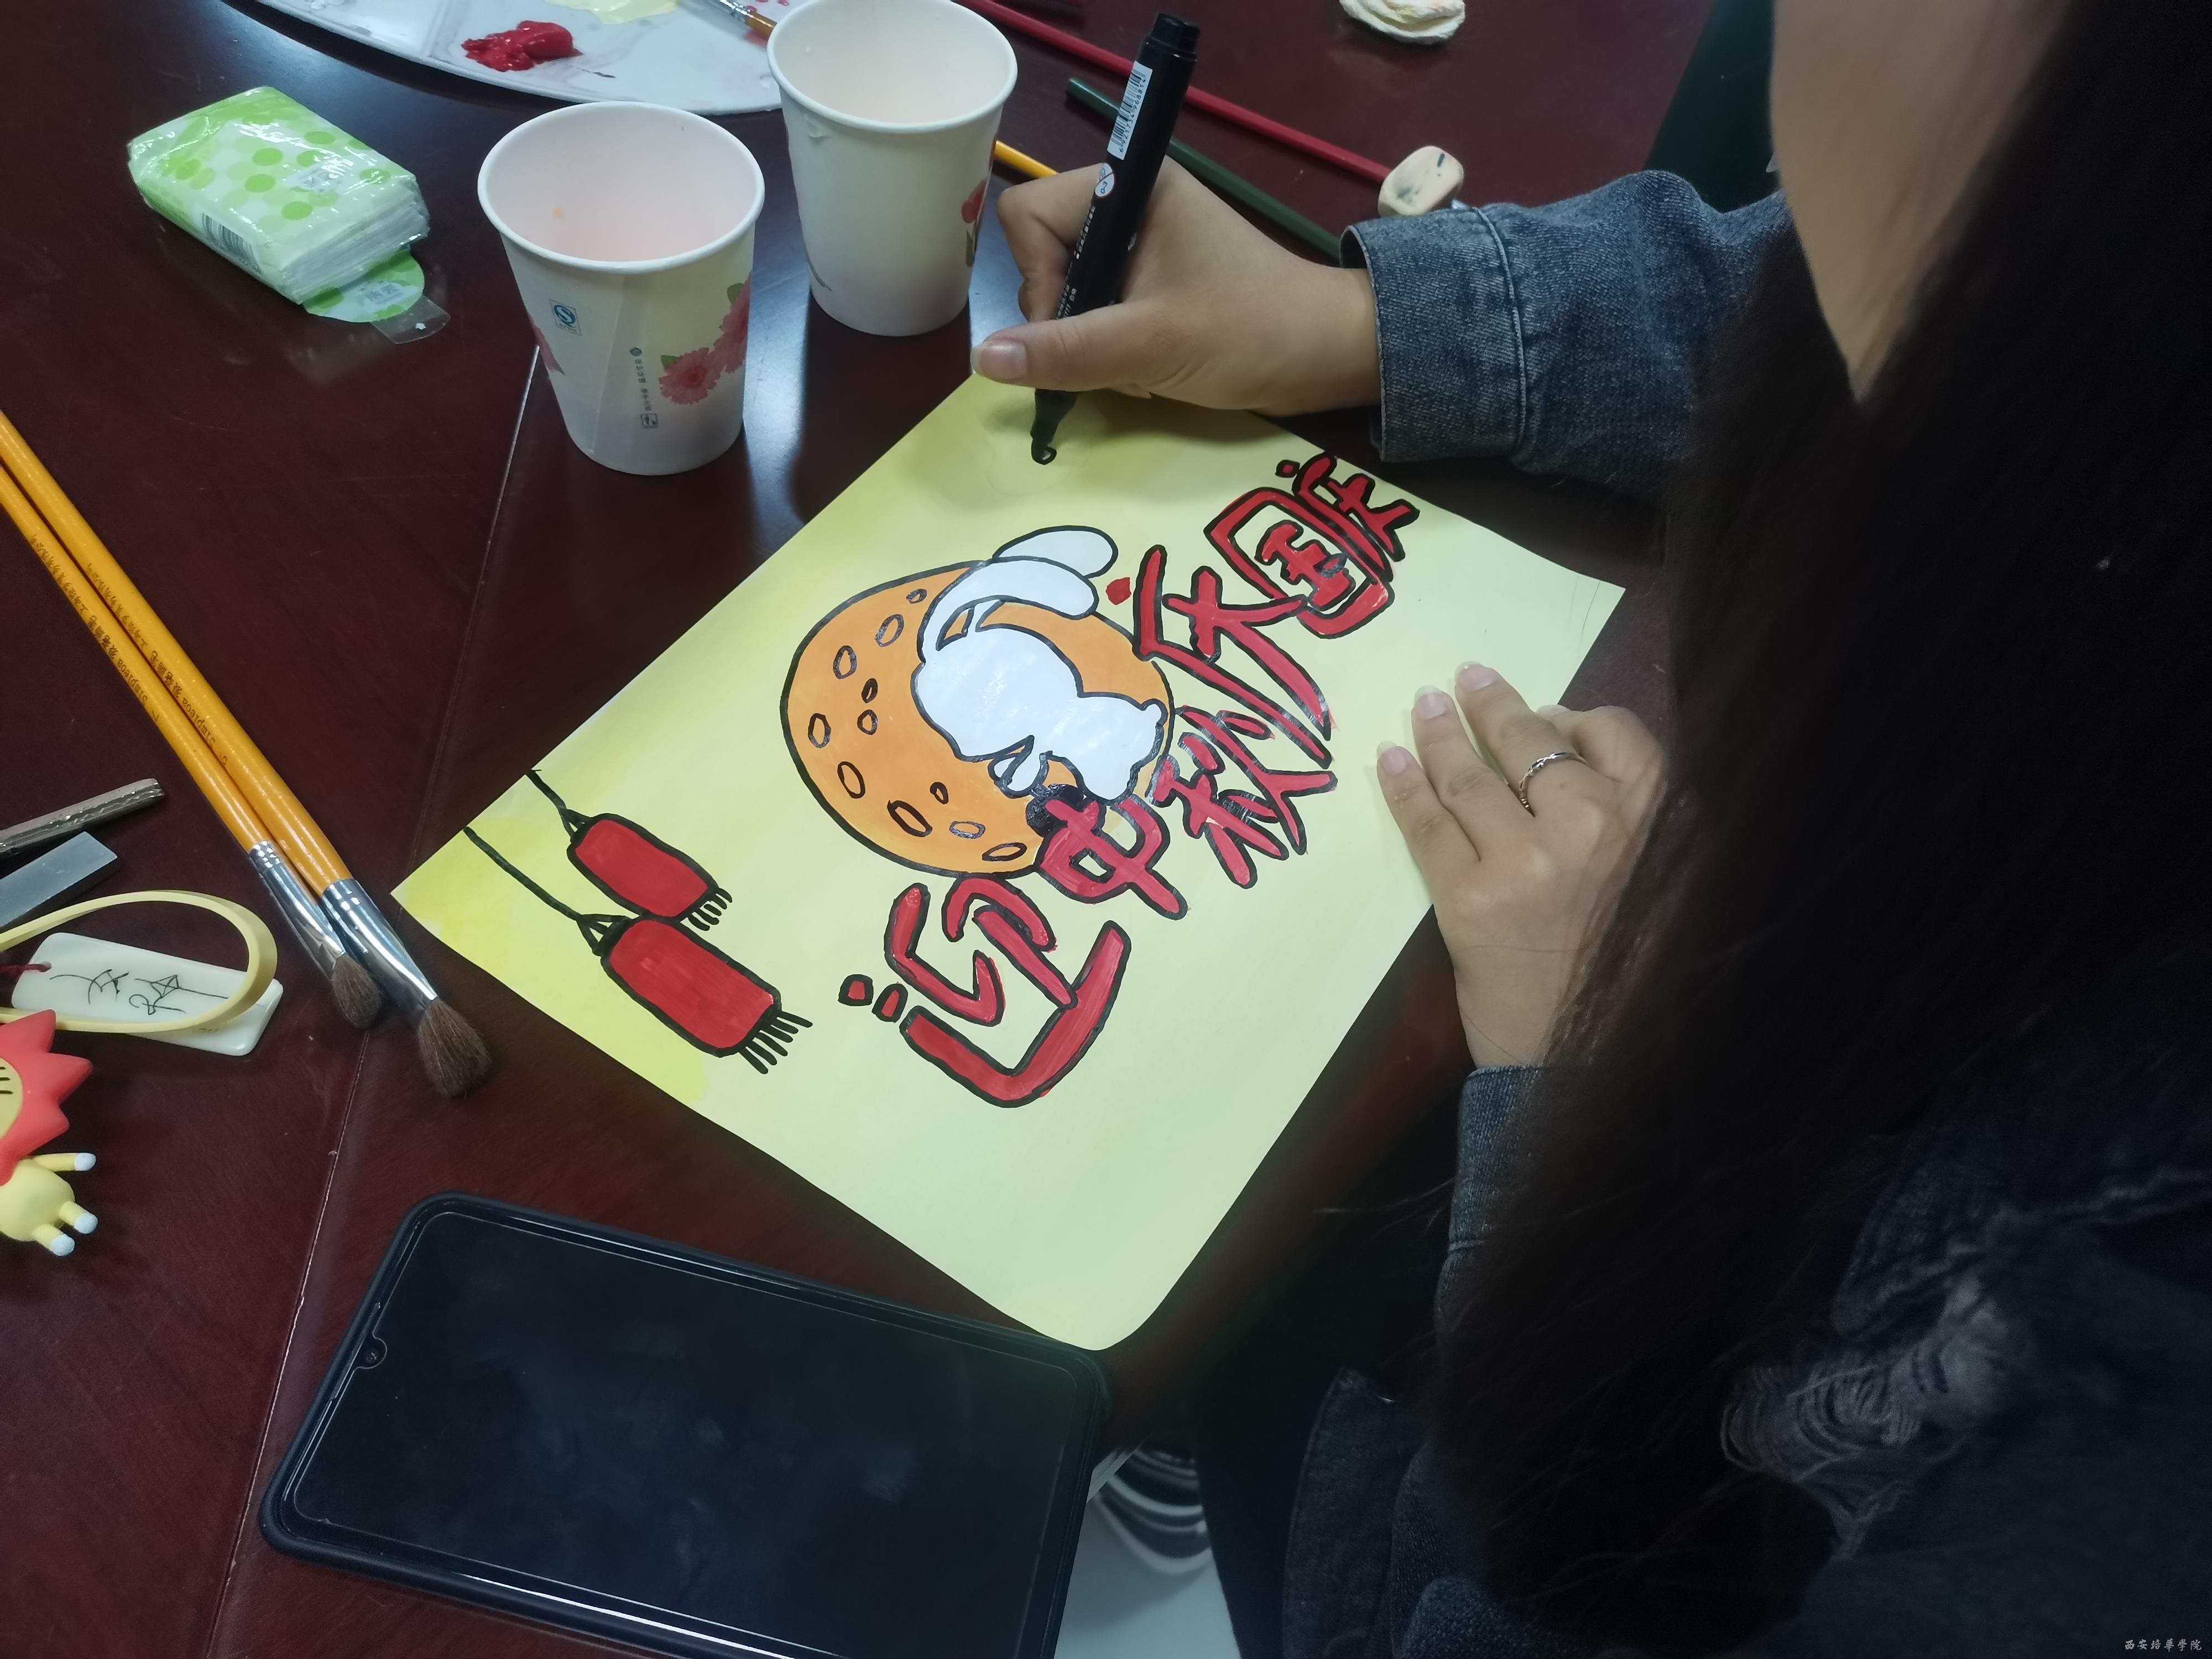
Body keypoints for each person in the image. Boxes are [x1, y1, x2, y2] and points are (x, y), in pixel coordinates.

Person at [982, 0, 2212, 1652]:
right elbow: (1838, 276)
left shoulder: (2128, 1446)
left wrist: (1585, 1087)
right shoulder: (2050, 286)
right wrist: (1357, 320)